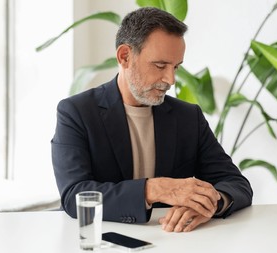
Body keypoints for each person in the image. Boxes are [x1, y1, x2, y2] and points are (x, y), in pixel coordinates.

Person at [51, 7, 252, 232]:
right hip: (97, 241)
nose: (171, 79)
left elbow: (236, 184)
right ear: (125, 56)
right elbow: (74, 196)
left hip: (173, 241)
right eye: (160, 65)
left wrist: (209, 204)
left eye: (175, 67)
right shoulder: (76, 112)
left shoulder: (188, 117)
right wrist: (154, 189)